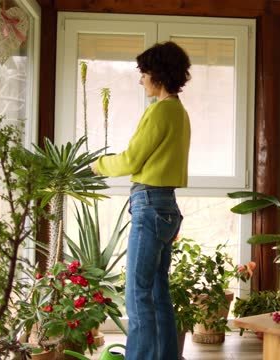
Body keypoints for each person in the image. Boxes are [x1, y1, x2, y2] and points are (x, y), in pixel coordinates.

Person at [91, 41, 191, 360]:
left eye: (144, 73)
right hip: (166, 206)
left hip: (149, 206)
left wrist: (96, 164)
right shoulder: (179, 112)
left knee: (136, 296)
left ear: (157, 75)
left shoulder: (160, 111)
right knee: (157, 292)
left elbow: (132, 160)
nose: (141, 79)